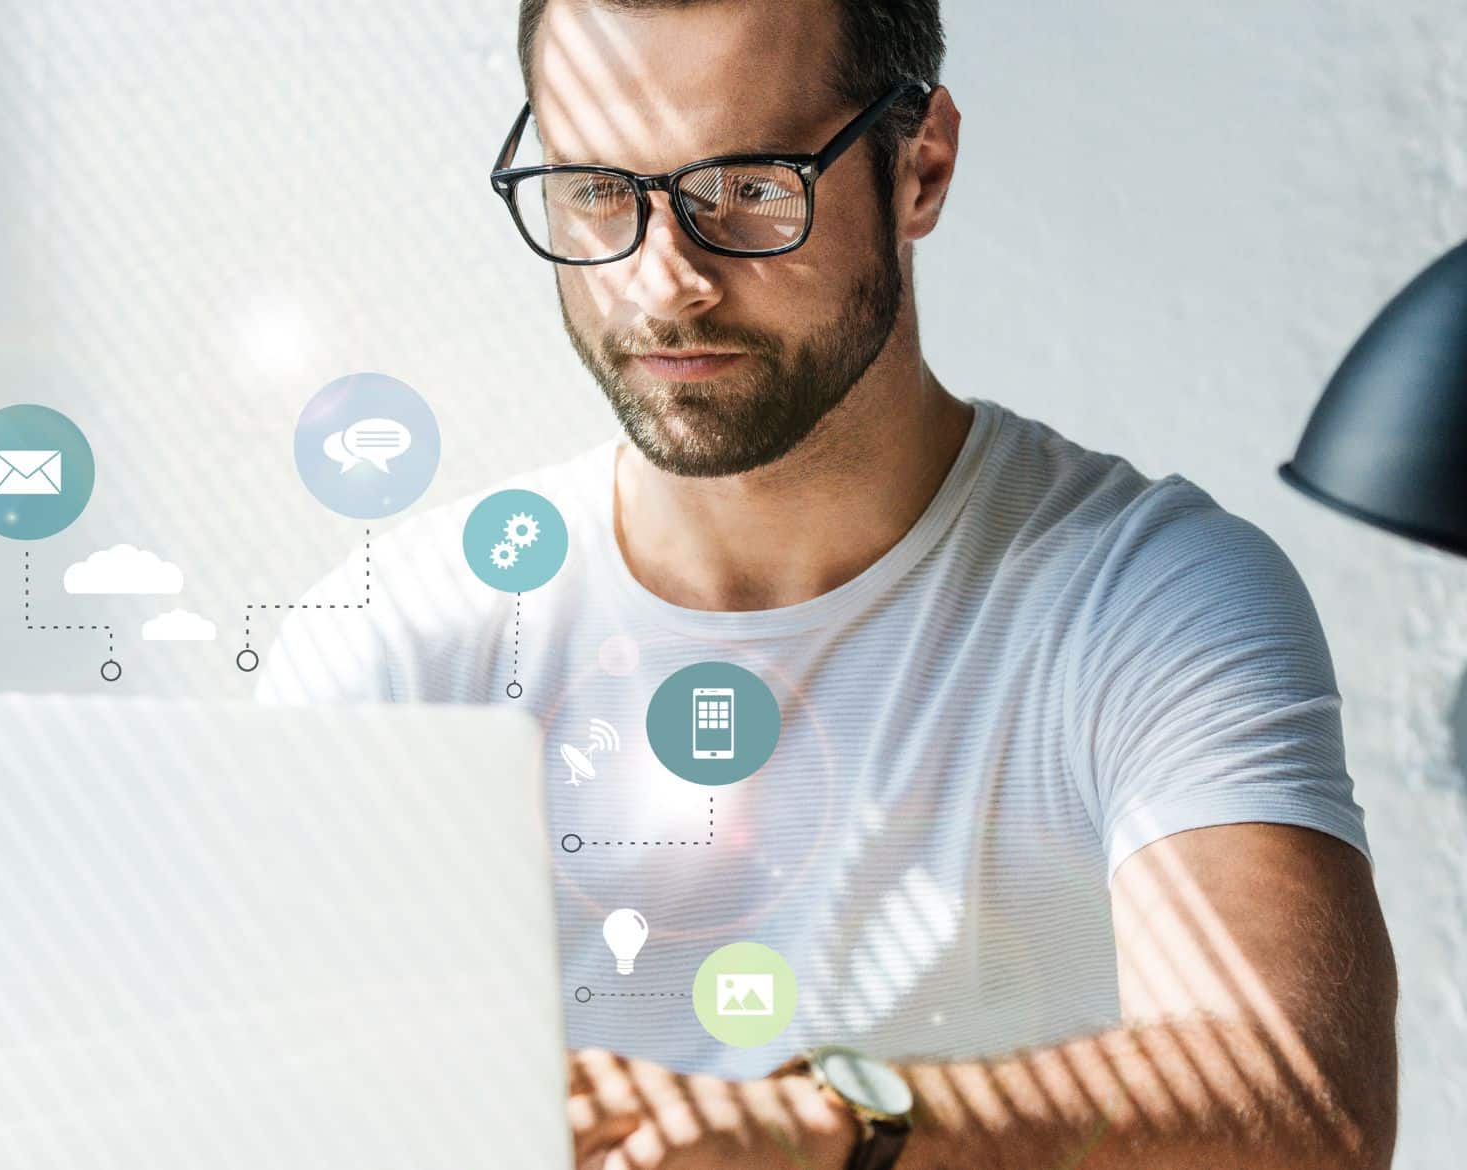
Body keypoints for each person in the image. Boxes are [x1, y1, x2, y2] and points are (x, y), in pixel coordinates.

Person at [260, 2, 1398, 1166]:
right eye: (596, 188)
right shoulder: (401, 641)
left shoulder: (1144, 598)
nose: (664, 285)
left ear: (922, 167)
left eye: (748, 187)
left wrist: (829, 1131)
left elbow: (1303, 1103)